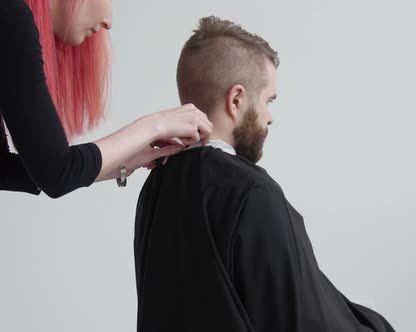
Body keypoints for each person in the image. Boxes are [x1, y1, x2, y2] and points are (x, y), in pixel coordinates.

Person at [134, 16, 396, 332]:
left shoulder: (156, 185)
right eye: (268, 100)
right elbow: (301, 319)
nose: (269, 117)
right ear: (237, 99)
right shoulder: (250, 192)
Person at [0, 0, 212, 198]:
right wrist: (157, 124)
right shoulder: (10, 16)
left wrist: (121, 162)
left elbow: (6, 167)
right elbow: (56, 172)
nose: (109, 21)